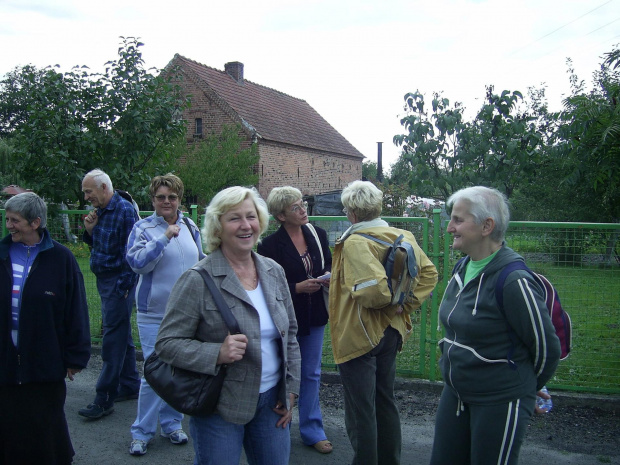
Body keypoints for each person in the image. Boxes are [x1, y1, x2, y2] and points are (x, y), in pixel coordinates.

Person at [155, 186, 301, 465]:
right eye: (234, 218)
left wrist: (291, 390)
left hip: (273, 402)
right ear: (218, 227)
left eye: (251, 216)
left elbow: (290, 335)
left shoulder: (274, 271)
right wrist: (216, 353)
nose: (246, 226)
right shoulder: (197, 279)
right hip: (219, 406)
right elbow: (166, 344)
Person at [430, 186, 561, 465]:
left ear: (486, 226)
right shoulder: (462, 268)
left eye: (458, 220)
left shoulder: (514, 281)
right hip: (456, 393)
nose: (450, 227)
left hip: (500, 400)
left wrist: (523, 386)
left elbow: (547, 348)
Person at [329, 180, 438, 465]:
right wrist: (405, 305)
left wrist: (387, 301)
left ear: (351, 213)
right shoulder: (402, 234)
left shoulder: (355, 241)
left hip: (360, 334)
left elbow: (373, 292)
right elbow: (429, 274)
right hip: (392, 331)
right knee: (385, 401)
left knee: (361, 409)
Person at [0, 192, 91, 464]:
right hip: (4, 359)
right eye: (7, 219)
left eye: (15, 220)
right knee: (8, 424)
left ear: (35, 222)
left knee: (45, 425)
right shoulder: (2, 254)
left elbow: (76, 311)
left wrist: (75, 357)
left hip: (45, 360)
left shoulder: (61, 259)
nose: (9, 225)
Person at [126, 174, 205, 456]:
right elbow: (137, 264)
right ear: (153, 200)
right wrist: (162, 238)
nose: (167, 202)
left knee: (179, 370)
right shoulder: (143, 228)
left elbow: (201, 260)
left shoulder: (190, 225)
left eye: (171, 197)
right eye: (161, 197)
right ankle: (141, 432)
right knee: (153, 372)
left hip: (186, 314)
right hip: (153, 312)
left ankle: (172, 424)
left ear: (179, 199)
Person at [257, 186, 333, 454]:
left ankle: (312, 430)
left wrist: (326, 278)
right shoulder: (269, 246)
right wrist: (297, 288)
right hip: (285, 319)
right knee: (284, 373)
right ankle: (279, 427)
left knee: (311, 373)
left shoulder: (317, 234)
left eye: (303, 204)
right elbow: (266, 284)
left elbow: (328, 266)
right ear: (280, 216)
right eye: (296, 208)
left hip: (314, 317)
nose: (304, 210)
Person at [79, 169, 141, 419]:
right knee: (121, 332)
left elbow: (132, 252)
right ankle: (129, 384)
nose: (86, 197)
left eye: (88, 191)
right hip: (106, 281)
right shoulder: (101, 212)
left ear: (104, 188)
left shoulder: (125, 210)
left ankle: (104, 396)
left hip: (118, 283)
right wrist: (90, 230)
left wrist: (124, 286)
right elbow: (100, 246)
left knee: (112, 338)